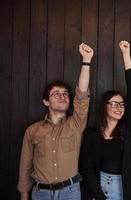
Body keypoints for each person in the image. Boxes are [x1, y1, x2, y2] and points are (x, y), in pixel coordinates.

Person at [17, 43, 94, 200]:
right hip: (41, 193)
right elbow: (25, 167)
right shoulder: (32, 131)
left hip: (70, 192)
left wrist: (86, 61)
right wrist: (24, 196)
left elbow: (81, 95)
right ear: (46, 101)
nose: (62, 96)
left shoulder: (76, 124)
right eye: (56, 94)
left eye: (65, 94)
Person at [79, 41, 131, 200]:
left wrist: (126, 56)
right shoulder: (92, 134)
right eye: (114, 103)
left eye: (121, 104)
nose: (119, 107)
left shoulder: (127, 130)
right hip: (97, 189)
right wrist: (99, 197)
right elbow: (87, 170)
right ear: (104, 106)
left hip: (121, 189)